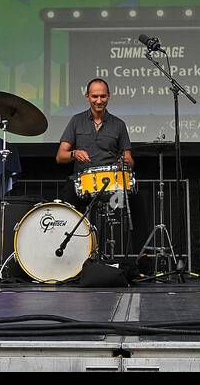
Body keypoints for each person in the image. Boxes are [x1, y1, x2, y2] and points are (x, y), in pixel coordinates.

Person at [55, 78, 150, 263]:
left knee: (137, 202)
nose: (99, 100)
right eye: (95, 96)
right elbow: (60, 156)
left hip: (113, 187)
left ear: (109, 97)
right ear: (87, 97)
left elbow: (129, 159)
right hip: (82, 183)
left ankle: (142, 258)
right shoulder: (76, 121)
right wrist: (74, 153)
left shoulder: (118, 124)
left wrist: (126, 161)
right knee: (64, 209)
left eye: (103, 96)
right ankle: (63, 259)